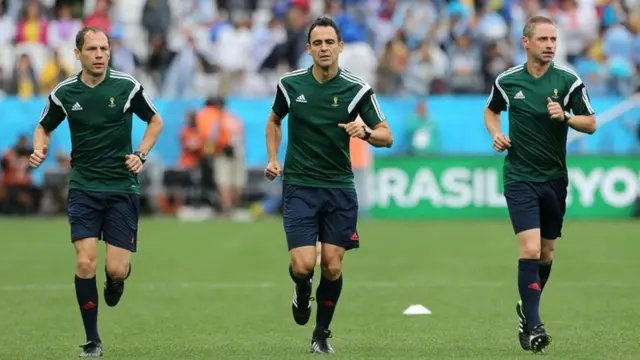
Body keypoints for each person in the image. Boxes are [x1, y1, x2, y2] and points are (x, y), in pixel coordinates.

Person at [29, 26, 163, 357]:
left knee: (115, 269)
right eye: (92, 49)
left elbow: (155, 121)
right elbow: (43, 126)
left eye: (104, 48)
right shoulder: (65, 93)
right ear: (78, 54)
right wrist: (39, 148)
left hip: (121, 187)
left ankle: (116, 280)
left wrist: (141, 154)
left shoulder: (127, 86)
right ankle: (92, 340)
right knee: (84, 261)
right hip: (84, 187)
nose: (100, 54)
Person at [264, 16, 393, 354]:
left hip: (339, 187)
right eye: (317, 43)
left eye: (329, 42)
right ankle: (302, 289)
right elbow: (274, 120)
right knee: (304, 265)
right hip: (300, 186)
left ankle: (321, 334)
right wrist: (273, 158)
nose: (323, 48)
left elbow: (386, 135)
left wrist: (363, 131)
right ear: (308, 49)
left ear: (340, 47)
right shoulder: (291, 85)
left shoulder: (356, 89)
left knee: (333, 266)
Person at [484, 16, 596, 353]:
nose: (549, 45)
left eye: (553, 40)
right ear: (526, 42)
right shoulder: (507, 80)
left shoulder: (569, 81)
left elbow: (590, 124)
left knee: (546, 255)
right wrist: (496, 134)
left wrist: (565, 117)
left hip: (554, 179)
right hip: (519, 177)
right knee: (530, 250)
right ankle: (534, 325)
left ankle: (526, 311)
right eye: (543, 39)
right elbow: (491, 111)